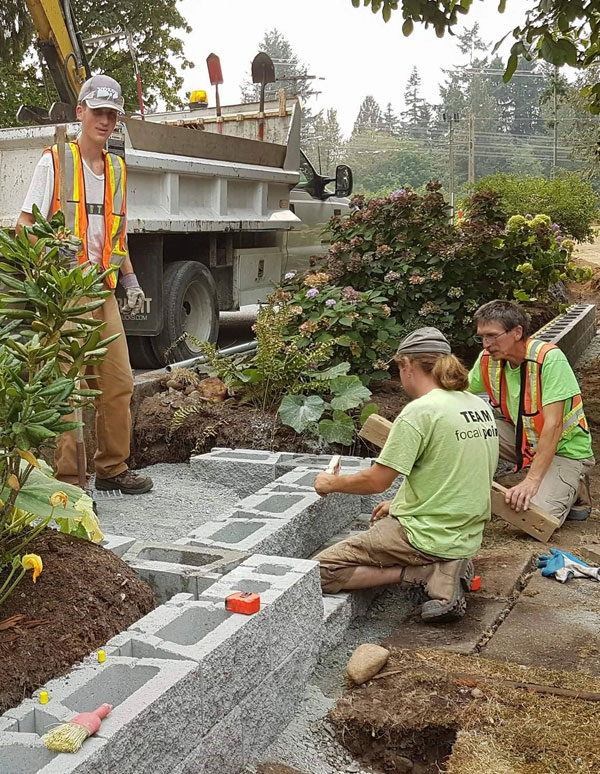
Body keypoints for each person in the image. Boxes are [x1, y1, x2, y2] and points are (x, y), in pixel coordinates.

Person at [16, 74, 153, 495]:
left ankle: (112, 468)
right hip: (63, 292)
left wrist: (129, 279)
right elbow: (24, 228)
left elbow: (117, 236)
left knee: (118, 383)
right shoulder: (54, 161)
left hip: (101, 288)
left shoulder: (115, 168)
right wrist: (49, 248)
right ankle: (69, 482)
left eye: (112, 114)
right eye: (99, 112)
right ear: (80, 112)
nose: (106, 121)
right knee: (67, 389)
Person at [313, 327, 499, 623]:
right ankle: (448, 563)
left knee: (317, 572)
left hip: (426, 536)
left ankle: (422, 573)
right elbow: (447, 467)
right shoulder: (476, 405)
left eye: (399, 368)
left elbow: (376, 481)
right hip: (466, 533)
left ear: (407, 365)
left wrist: (331, 483)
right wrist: (398, 503)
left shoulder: (420, 412)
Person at [469, 299, 594, 525]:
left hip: (565, 450)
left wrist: (532, 481)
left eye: (492, 336)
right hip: (525, 441)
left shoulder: (549, 359)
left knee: (535, 518)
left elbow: (554, 425)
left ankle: (575, 484)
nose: (485, 344)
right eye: (482, 337)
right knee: (469, 426)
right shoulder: (489, 360)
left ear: (517, 332)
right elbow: (456, 391)